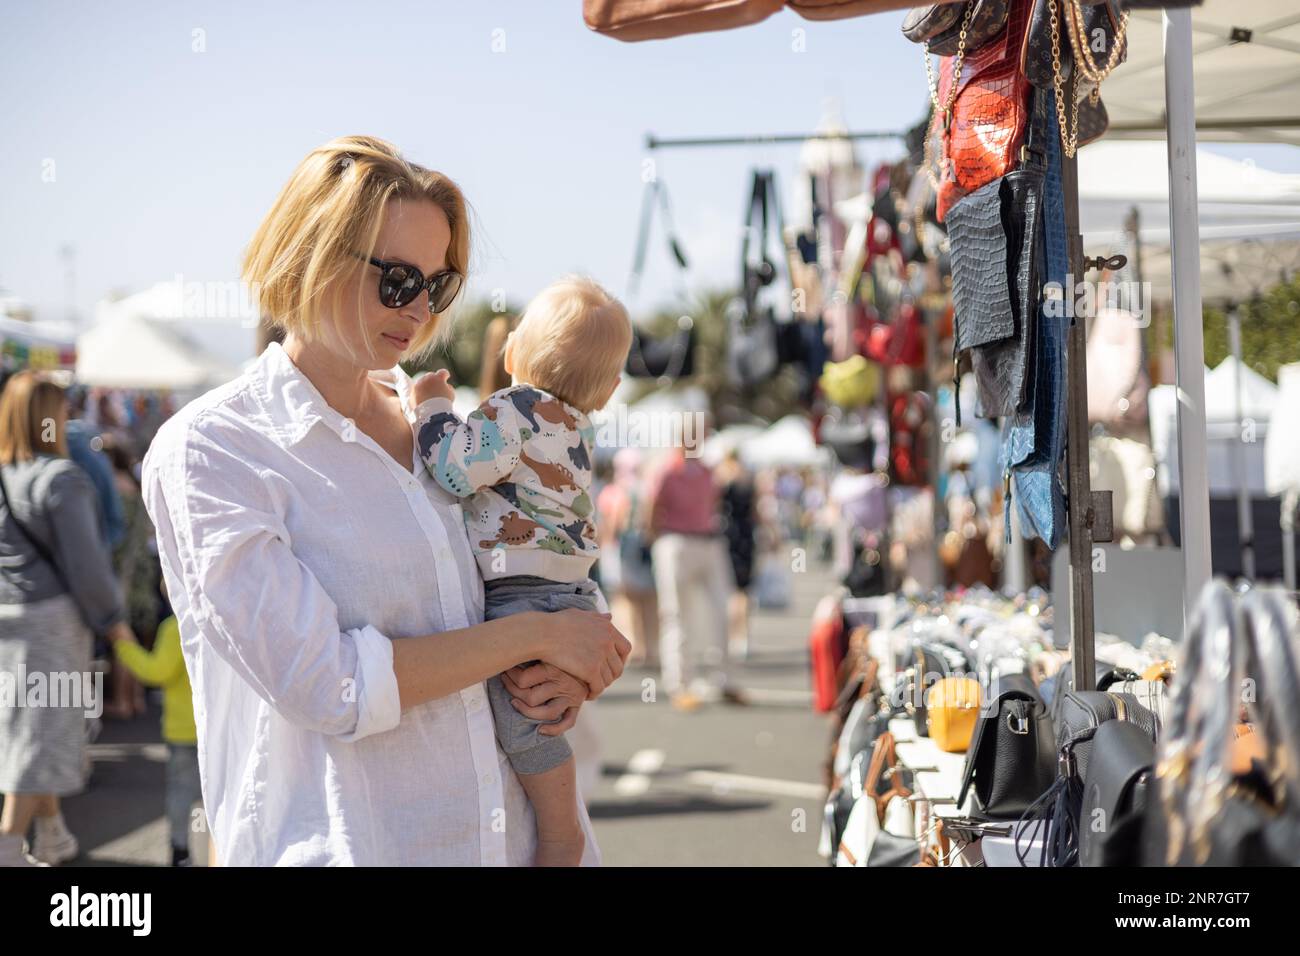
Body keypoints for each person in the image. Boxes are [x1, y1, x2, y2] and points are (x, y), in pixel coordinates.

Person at [141, 135, 629, 866]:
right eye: (398, 278)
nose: (419, 310)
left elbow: (519, 589)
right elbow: (330, 685)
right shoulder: (215, 448)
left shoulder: (442, 430)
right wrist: (538, 639)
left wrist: (575, 665)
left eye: (438, 286)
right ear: (312, 254)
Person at [409, 275, 631, 866]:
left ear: (511, 356)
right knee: (542, 710)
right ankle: (563, 820)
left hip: (523, 594)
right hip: (574, 592)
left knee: (523, 719)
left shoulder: (515, 408)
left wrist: (431, 407)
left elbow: (455, 471)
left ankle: (562, 830)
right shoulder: (580, 428)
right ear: (607, 391)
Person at [0, 371, 132, 867]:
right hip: (53, 623)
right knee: (39, 736)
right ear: (49, 418)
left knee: (27, 726)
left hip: (7, 617)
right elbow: (89, 565)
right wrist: (113, 620)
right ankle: (9, 846)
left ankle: (53, 835)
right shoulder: (62, 480)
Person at [643, 432, 745, 712]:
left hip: (706, 540)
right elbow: (651, 507)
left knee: (720, 613)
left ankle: (724, 680)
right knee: (676, 615)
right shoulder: (666, 469)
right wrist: (654, 539)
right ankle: (680, 684)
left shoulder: (706, 470)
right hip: (677, 540)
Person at [107, 579, 201, 866]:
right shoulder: (220, 621)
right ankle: (213, 850)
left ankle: (181, 850)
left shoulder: (174, 628)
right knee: (211, 796)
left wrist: (123, 647)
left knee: (182, 793)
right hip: (217, 730)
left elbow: (156, 671)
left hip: (182, 729)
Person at [98, 433, 157, 720]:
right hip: (142, 570)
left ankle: (122, 700)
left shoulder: (113, 490)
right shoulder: (135, 485)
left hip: (123, 574)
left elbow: (114, 537)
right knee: (136, 636)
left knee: (123, 639)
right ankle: (135, 698)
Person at [597, 448, 659, 668]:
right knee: (651, 600)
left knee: (626, 599)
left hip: (623, 548)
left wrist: (604, 545)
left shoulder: (614, 491)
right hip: (647, 549)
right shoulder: (647, 489)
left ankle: (634, 646)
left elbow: (612, 523)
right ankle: (653, 648)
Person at [715, 449, 757, 661]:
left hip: (728, 535)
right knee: (743, 590)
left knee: (730, 590)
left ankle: (732, 636)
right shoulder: (748, 477)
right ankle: (743, 636)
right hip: (746, 535)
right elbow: (756, 510)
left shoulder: (722, 476)